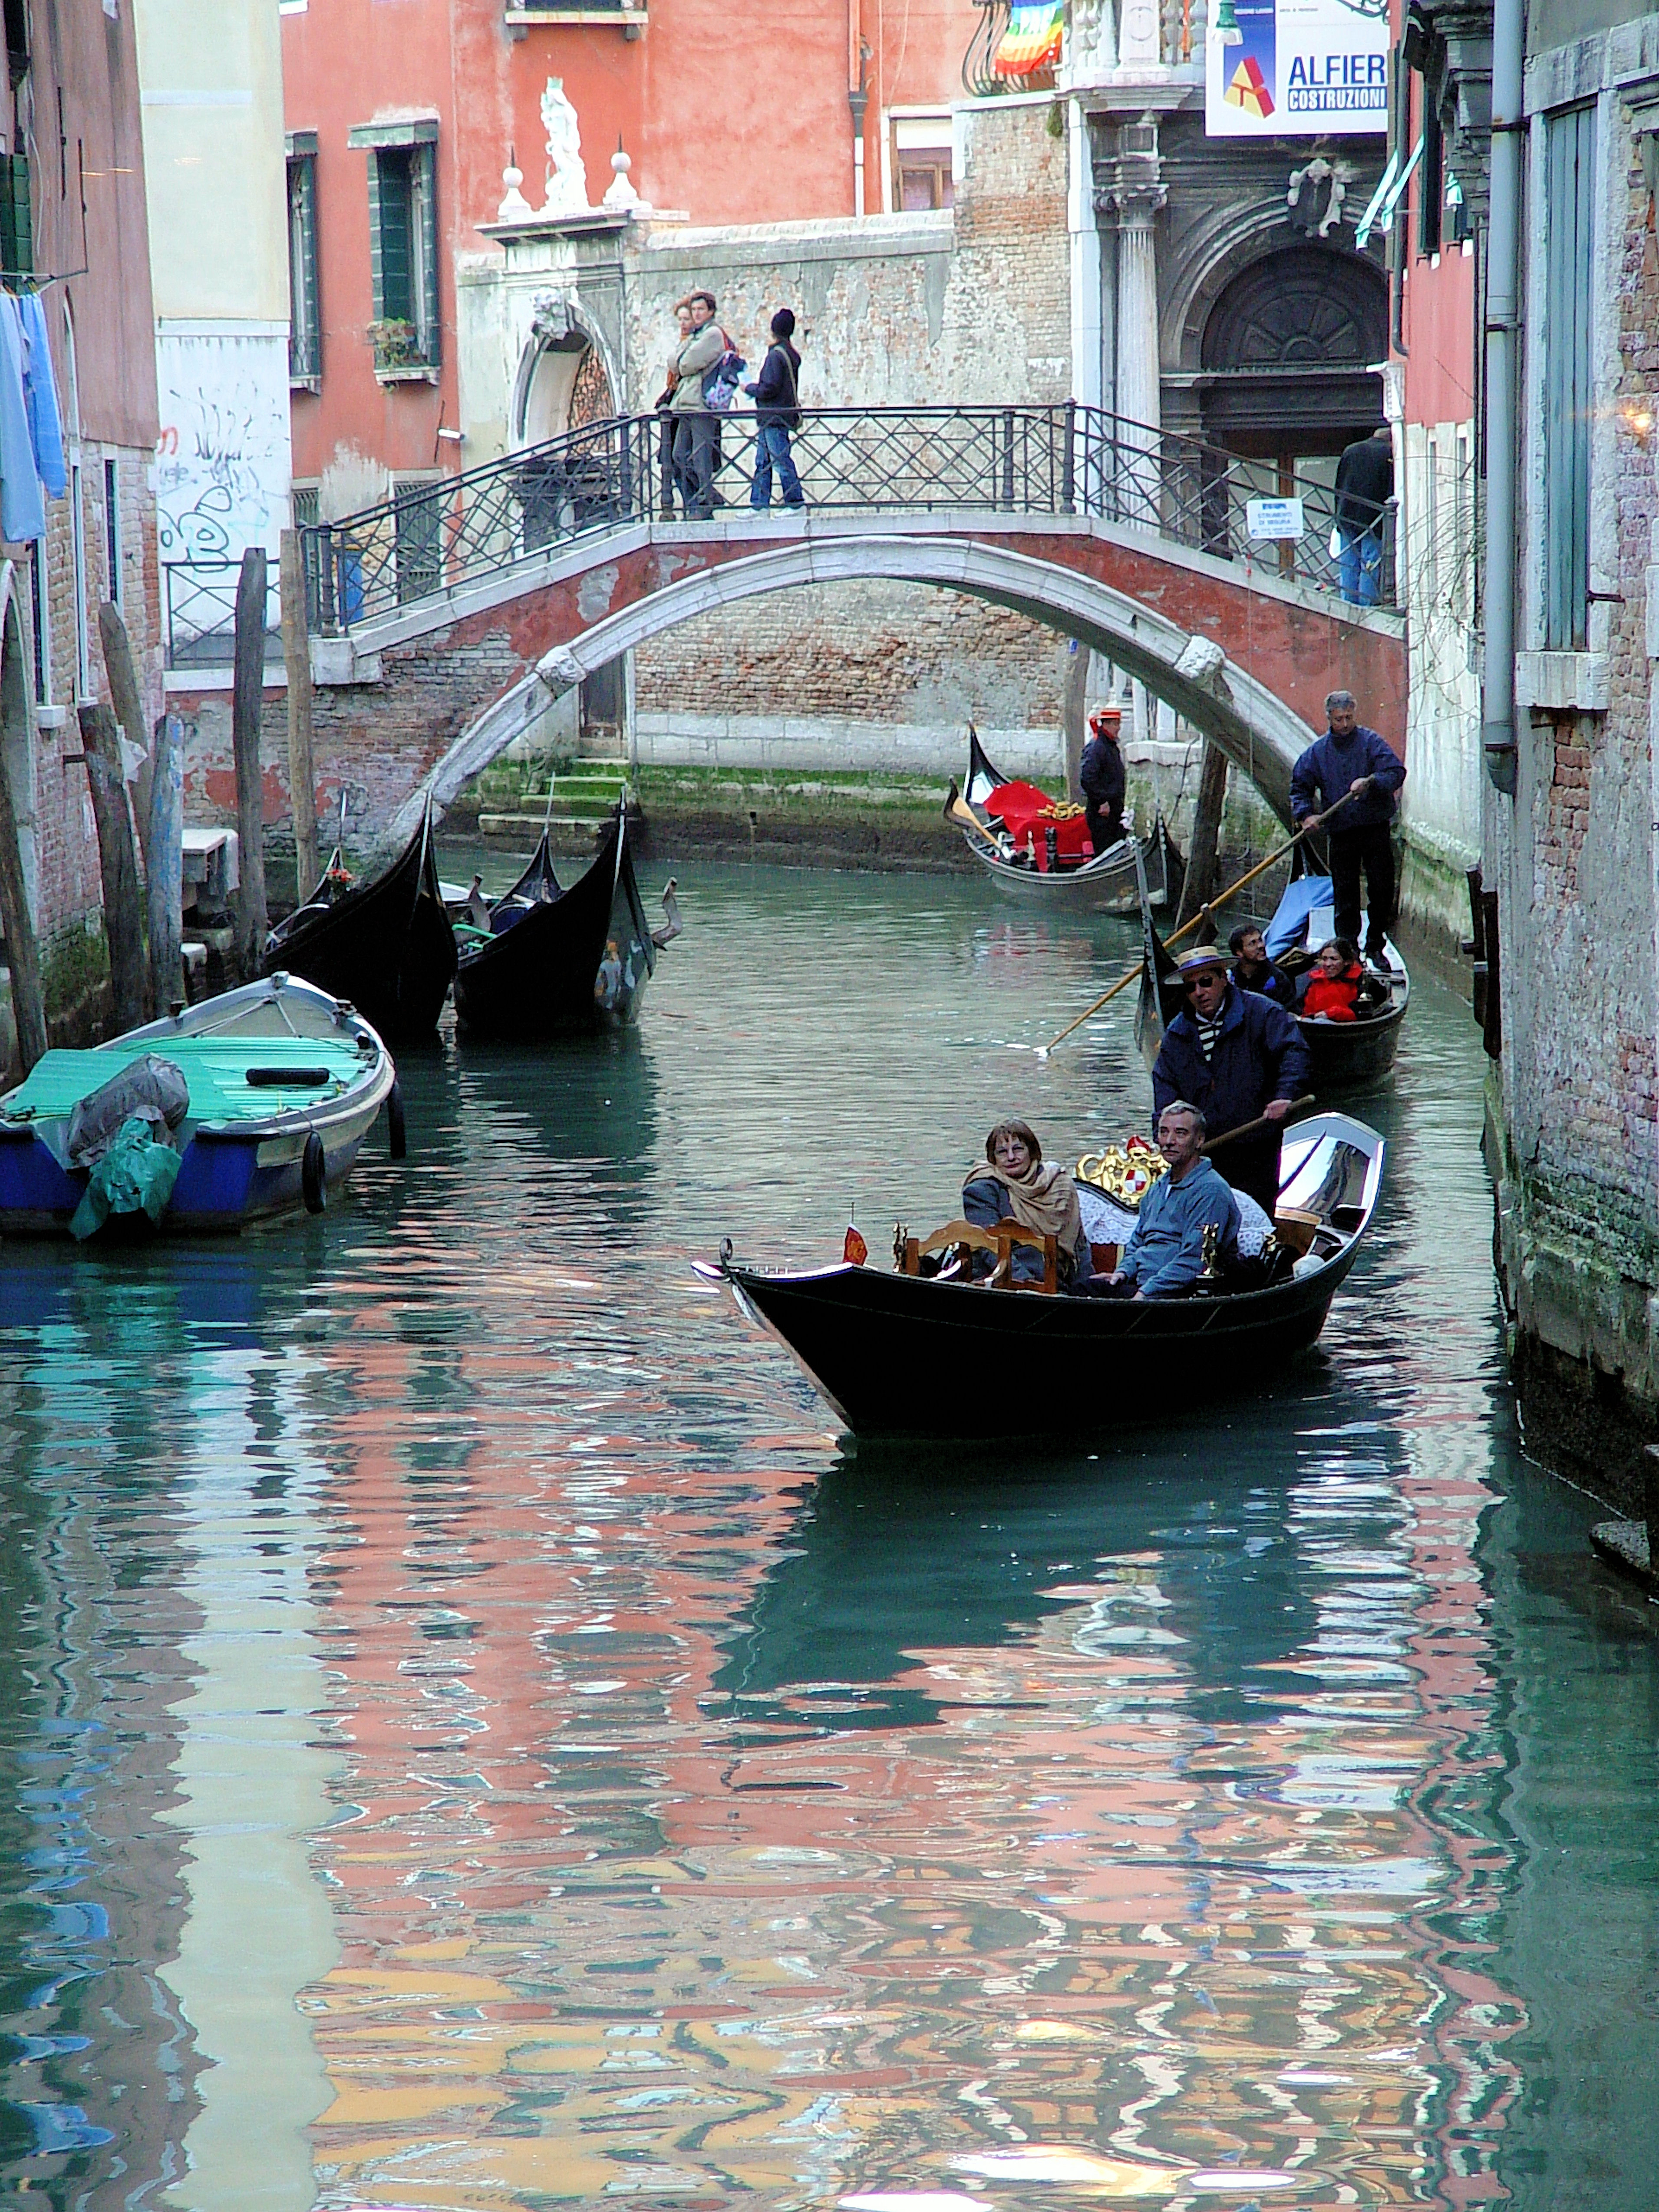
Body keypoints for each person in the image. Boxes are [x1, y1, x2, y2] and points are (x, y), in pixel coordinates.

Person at [1150, 944, 1312, 1215]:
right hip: (1204, 1150)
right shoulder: (1177, 1033)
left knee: (1255, 1216)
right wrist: (1165, 1130)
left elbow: (1294, 1052)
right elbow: (1164, 1084)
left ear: (1224, 979)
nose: (1199, 993)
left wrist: (1284, 1095)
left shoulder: (1262, 1012)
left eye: (1205, 982)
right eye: (1191, 988)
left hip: (1255, 1143)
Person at [1288, 689, 1406, 966]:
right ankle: (1348, 950)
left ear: (1354, 715)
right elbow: (1299, 787)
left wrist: (1372, 782)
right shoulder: (1317, 754)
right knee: (1345, 893)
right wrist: (1306, 816)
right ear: (1329, 718)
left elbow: (1395, 773)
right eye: (1339, 719)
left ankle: (1376, 945)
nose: (1344, 724)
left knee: (1380, 889)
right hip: (1341, 832)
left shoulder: (1371, 743)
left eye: (1349, 718)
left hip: (1374, 828)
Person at [1079, 1102, 1240, 1300]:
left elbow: (1195, 1259)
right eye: (1164, 1132)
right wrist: (1122, 1273)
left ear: (1199, 1140)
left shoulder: (1211, 1191)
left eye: (1180, 1133)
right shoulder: (1159, 1187)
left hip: (1178, 1293)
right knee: (1080, 1290)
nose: (1169, 1141)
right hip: (1143, 1285)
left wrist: (1145, 1293)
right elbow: (1139, 1241)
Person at [962, 1118, 1089, 1288]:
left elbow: (1078, 1243)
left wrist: (1088, 1286)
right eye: (1002, 1152)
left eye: (1018, 1149)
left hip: (1060, 1279)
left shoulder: (1059, 1185)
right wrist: (1031, 1286)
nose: (1011, 1157)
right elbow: (989, 1246)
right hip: (1002, 1281)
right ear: (993, 1159)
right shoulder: (982, 1189)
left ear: (1032, 1152)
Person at [668, 291, 727, 521]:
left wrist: (682, 363)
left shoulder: (713, 334)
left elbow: (686, 363)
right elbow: (674, 362)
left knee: (700, 459)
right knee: (679, 456)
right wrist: (682, 362)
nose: (696, 314)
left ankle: (705, 505)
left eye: (701, 309)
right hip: (685, 404)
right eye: (694, 310)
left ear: (711, 311)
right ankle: (706, 498)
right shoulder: (695, 335)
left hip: (702, 405)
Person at [744, 309, 804, 511]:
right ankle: (759, 506)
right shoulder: (790, 355)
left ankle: (795, 504)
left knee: (779, 461)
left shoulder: (775, 357)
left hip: (773, 418)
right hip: (779, 417)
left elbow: (769, 388)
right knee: (764, 462)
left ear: (773, 330)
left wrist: (749, 388)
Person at [1334, 425, 1392, 607]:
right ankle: (1366, 605)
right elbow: (1390, 488)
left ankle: (1348, 603)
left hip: (1347, 514)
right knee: (1371, 563)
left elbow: (1339, 485)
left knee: (1349, 562)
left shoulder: (1351, 451)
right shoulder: (1387, 454)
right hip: (1373, 517)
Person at [655, 302, 693, 512]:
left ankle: (698, 501)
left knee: (681, 458)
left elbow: (682, 368)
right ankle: (691, 502)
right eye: (680, 319)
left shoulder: (694, 344)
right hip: (674, 410)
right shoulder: (682, 343)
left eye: (686, 319)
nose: (683, 324)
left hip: (686, 409)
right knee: (671, 459)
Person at [1079, 701, 1127, 855]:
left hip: (1113, 812)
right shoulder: (1097, 748)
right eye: (1114, 724)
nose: (1118, 728)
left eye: (1118, 723)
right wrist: (1102, 802)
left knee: (1114, 850)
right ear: (1105, 724)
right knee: (1105, 852)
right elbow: (1087, 778)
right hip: (1102, 813)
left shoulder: (1109, 746)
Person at [1228, 921, 1295, 1008]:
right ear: (1239, 952)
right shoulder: (1229, 979)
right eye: (1252, 943)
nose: (1261, 946)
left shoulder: (1278, 978)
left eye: (1260, 940)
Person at [1299, 938, 1362, 1022]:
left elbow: (1361, 1015)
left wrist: (1331, 1014)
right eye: (1325, 959)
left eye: (1334, 959)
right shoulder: (1315, 983)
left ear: (1347, 961)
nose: (1328, 964)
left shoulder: (1359, 983)